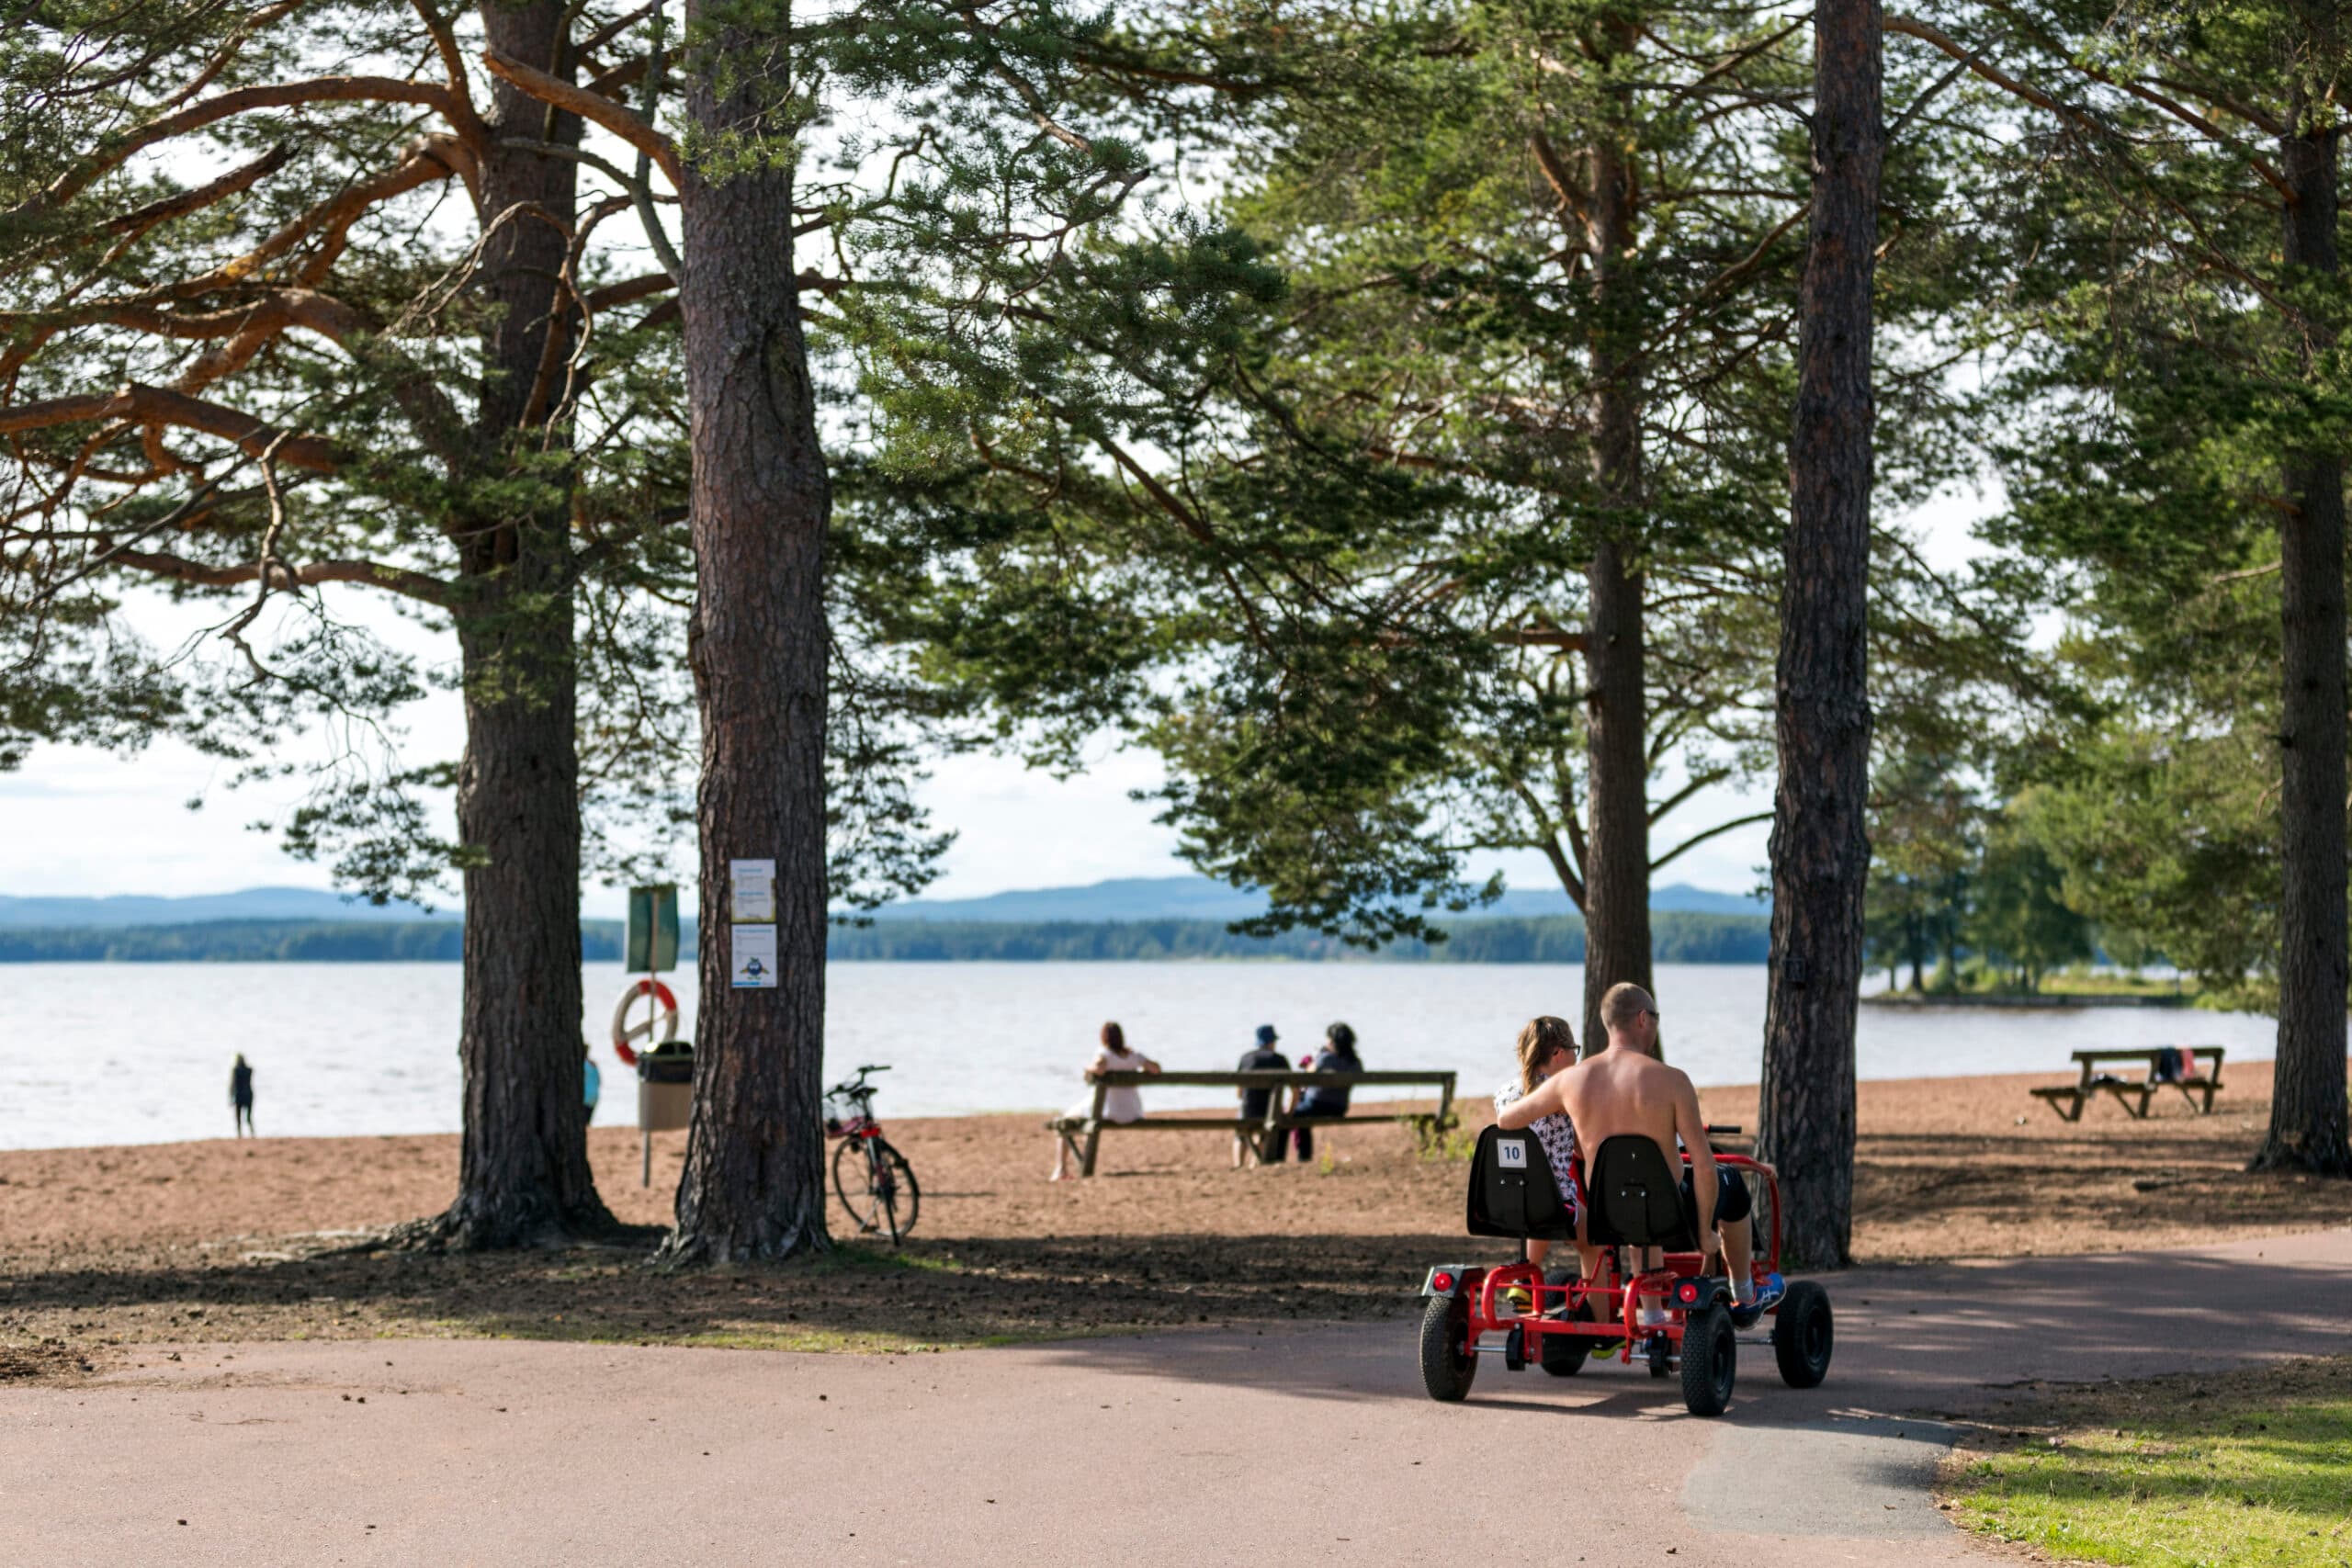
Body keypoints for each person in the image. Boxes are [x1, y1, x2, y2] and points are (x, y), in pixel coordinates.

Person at [1498, 982, 1781, 1328]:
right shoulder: (1673, 1080)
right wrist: (1706, 1234)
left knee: (1639, 1199)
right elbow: (1704, 1165)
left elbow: (1507, 1119)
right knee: (1732, 1181)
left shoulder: (1569, 1080)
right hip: (1669, 1212)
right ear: (1643, 1019)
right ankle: (1745, 1291)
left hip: (1606, 1212)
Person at [1492, 1017, 1583, 1293]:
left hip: (1508, 1198)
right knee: (1596, 1244)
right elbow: (1583, 1149)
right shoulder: (1561, 1096)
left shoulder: (1504, 1093)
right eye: (1574, 1051)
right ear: (1558, 1054)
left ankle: (1523, 1281)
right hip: (1552, 1204)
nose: (1577, 1059)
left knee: (1539, 1196)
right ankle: (1602, 1327)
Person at [1050, 1021, 1161, 1180]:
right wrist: (1141, 1070)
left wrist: (1087, 1068)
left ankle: (1061, 1169)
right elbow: (1156, 1068)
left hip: (1108, 1112)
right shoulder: (1134, 1056)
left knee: (1065, 1120)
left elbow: (1100, 1068)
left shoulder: (1105, 1054)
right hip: (1133, 1112)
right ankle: (1074, 1157)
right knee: (1083, 1120)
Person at [1288, 1021, 1360, 1162]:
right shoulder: (1355, 1062)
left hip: (1316, 1105)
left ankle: (1301, 1156)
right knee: (1301, 1115)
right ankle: (1304, 1156)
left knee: (1288, 1115)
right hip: (1340, 1108)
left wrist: (1316, 1057)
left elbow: (1307, 1075)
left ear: (1333, 1041)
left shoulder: (1326, 1058)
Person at [1234, 1024, 1290, 1167]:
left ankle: (1238, 1165)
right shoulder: (1280, 1060)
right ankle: (1254, 1163)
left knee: (1241, 1132)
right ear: (1272, 1042)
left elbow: (1239, 1093)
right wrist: (1290, 1109)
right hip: (1269, 1112)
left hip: (1248, 1110)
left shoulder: (1246, 1058)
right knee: (1266, 1130)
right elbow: (1295, 1088)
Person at [229, 1054, 254, 1138]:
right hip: (248, 1095)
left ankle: (240, 1135)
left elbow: (232, 1084)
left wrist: (230, 1097)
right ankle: (252, 1134)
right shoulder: (249, 1070)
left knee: (238, 1119)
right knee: (248, 1118)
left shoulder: (236, 1070)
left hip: (239, 1096)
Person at [583, 1043, 602, 1119]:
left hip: (584, 1098)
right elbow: (599, 1081)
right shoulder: (593, 1065)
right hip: (594, 1096)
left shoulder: (580, 1065)